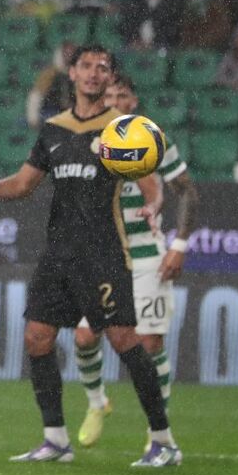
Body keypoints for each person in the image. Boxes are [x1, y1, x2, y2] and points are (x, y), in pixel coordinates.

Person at [0, 45, 181, 468]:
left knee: (125, 340)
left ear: (109, 78)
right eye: (86, 66)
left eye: (103, 68)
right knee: (37, 337)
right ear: (72, 73)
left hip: (103, 252)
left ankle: (163, 440)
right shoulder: (54, 129)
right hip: (59, 254)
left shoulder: (120, 129)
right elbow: (23, 184)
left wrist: (153, 205)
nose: (94, 73)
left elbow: (151, 183)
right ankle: (55, 439)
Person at [74, 74, 200, 446]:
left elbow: (185, 192)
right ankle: (97, 402)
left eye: (123, 95)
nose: (116, 101)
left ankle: (157, 434)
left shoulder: (154, 140)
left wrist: (179, 245)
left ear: (134, 102)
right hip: (105, 256)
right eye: (110, 96)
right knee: (84, 336)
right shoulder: (90, 141)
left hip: (146, 253)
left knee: (149, 344)